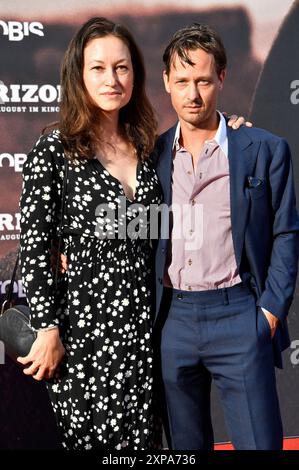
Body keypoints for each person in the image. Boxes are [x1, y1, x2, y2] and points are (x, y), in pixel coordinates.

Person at [18, 17, 248, 450]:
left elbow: (154, 227)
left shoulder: (147, 145)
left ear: (136, 75)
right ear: (78, 74)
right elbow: (34, 245)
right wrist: (48, 329)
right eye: (99, 68)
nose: (112, 79)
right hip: (85, 336)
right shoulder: (54, 150)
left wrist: (231, 128)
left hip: (147, 332)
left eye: (122, 68)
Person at [152, 23, 299, 450]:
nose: (192, 94)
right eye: (181, 81)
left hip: (239, 313)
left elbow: (286, 232)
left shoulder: (263, 148)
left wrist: (269, 312)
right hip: (173, 320)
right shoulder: (151, 157)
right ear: (166, 82)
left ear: (222, 77)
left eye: (201, 80)